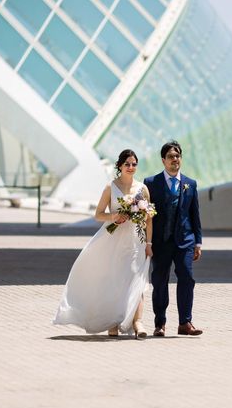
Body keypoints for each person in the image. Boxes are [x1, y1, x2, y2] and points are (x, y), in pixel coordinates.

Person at [53, 149, 152, 339]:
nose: (131, 167)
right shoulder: (110, 188)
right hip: (113, 240)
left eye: (134, 164)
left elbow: (149, 219)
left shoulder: (143, 189)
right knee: (115, 279)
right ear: (120, 166)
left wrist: (149, 242)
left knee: (137, 279)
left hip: (135, 241)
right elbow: (98, 214)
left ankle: (138, 322)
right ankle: (113, 322)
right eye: (127, 164)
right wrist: (115, 216)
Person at [144, 141, 203, 337]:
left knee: (187, 277)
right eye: (170, 156)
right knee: (159, 281)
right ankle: (160, 323)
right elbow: (145, 215)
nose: (174, 160)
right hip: (160, 242)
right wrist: (147, 242)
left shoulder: (190, 184)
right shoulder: (151, 183)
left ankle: (185, 322)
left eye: (177, 156)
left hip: (185, 240)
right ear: (163, 160)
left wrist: (198, 242)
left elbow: (195, 215)